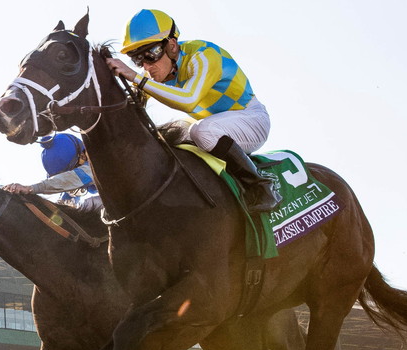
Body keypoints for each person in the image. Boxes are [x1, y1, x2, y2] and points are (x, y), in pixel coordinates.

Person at [106, 9, 280, 214]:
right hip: (219, 128)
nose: (146, 66)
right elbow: (131, 109)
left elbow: (188, 100)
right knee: (171, 135)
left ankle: (261, 186)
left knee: (201, 130)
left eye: (150, 54)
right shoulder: (156, 71)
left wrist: (136, 77)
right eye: (137, 60)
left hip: (252, 120)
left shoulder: (204, 55)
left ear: (172, 45)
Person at [3, 133, 102, 212]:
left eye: (71, 172)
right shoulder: (79, 167)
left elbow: (71, 180)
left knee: (93, 206)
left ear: (82, 156)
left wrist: (30, 188)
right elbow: (68, 195)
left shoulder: (99, 161)